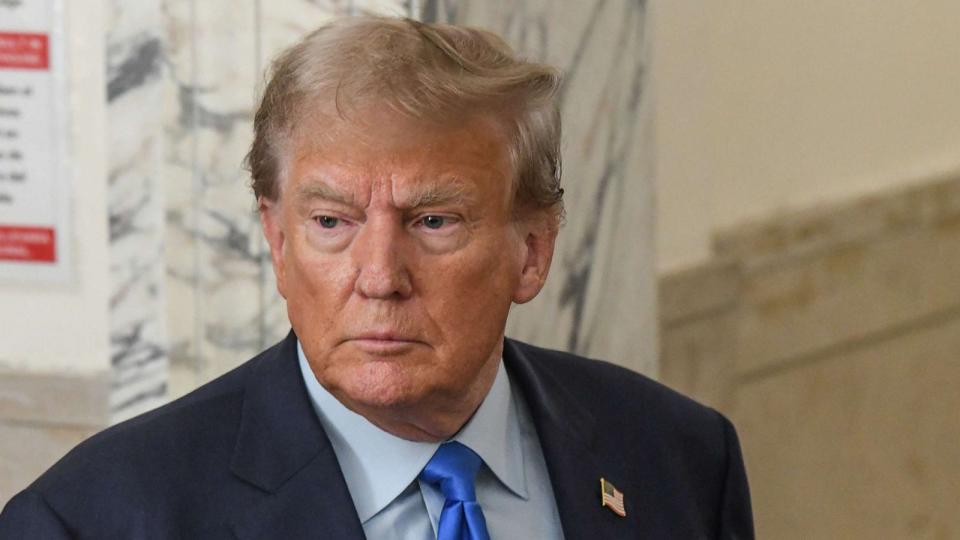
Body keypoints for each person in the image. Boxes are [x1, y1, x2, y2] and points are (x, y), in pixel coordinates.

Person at [0, 16, 753, 539]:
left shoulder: (677, 456)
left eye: (434, 222)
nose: (380, 278)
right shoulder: (97, 518)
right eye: (332, 223)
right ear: (277, 241)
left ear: (533, 251)